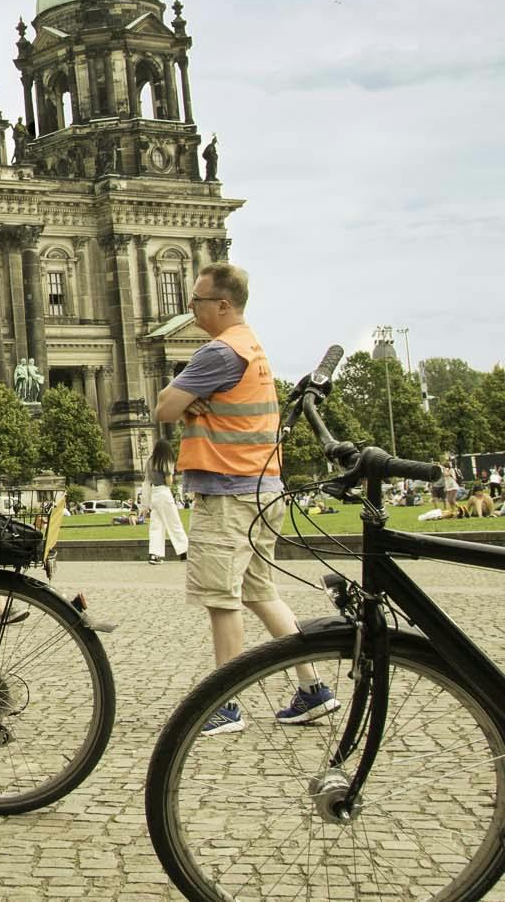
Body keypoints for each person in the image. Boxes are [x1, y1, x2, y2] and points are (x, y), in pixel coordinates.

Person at [157, 261, 335, 734]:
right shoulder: (250, 346)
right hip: (262, 487)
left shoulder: (218, 353)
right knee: (261, 592)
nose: (189, 306)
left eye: (196, 299)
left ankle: (226, 703)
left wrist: (187, 399)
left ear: (222, 304)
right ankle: (313, 688)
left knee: (223, 598)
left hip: (228, 493)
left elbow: (164, 407)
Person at [140, 441, 189, 564]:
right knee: (174, 523)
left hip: (154, 495)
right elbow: (169, 482)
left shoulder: (150, 462)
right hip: (164, 493)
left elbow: (146, 482)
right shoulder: (165, 461)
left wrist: (145, 505)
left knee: (156, 526)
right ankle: (184, 552)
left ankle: (154, 554)